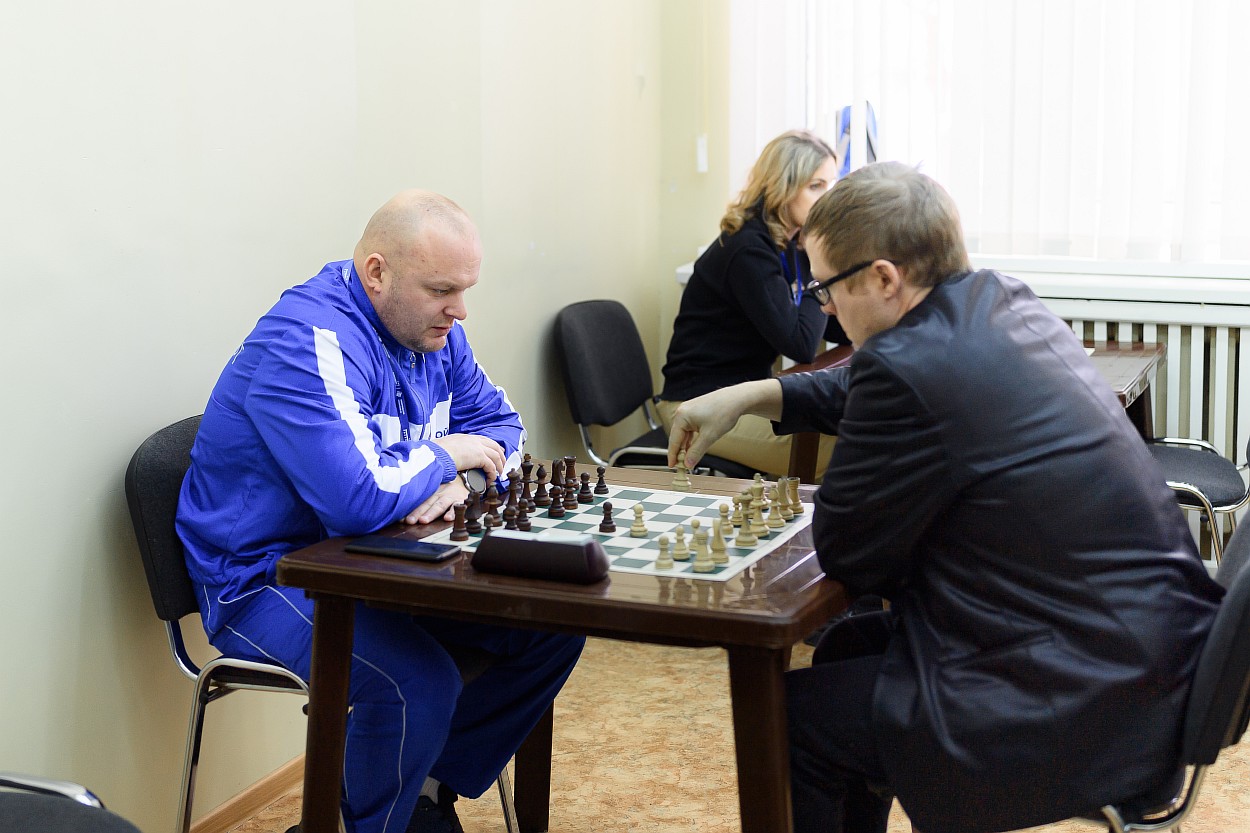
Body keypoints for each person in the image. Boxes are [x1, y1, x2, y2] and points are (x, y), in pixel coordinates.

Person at [666, 162, 1223, 833]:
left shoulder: (905, 366)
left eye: (825, 287)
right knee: (846, 647)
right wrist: (755, 394)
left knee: (786, 720)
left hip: (1087, 702)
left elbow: (847, 553)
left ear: (883, 278)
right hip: (1146, 662)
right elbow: (875, 384)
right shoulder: (1002, 302)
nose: (824, 307)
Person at [176, 190, 584, 833]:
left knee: (550, 624)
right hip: (267, 578)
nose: (460, 309)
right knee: (415, 684)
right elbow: (356, 498)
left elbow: (502, 425)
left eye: (465, 288)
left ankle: (420, 795)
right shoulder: (308, 340)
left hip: (382, 560)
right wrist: (447, 454)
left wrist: (462, 478)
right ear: (376, 273)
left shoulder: (434, 332)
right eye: (442, 289)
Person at [657, 129, 848, 478]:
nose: (828, 198)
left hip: (741, 396)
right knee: (845, 448)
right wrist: (817, 264)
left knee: (850, 426)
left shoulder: (785, 242)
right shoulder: (748, 248)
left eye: (831, 185)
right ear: (782, 186)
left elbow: (829, 322)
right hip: (696, 405)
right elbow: (801, 343)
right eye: (816, 186)